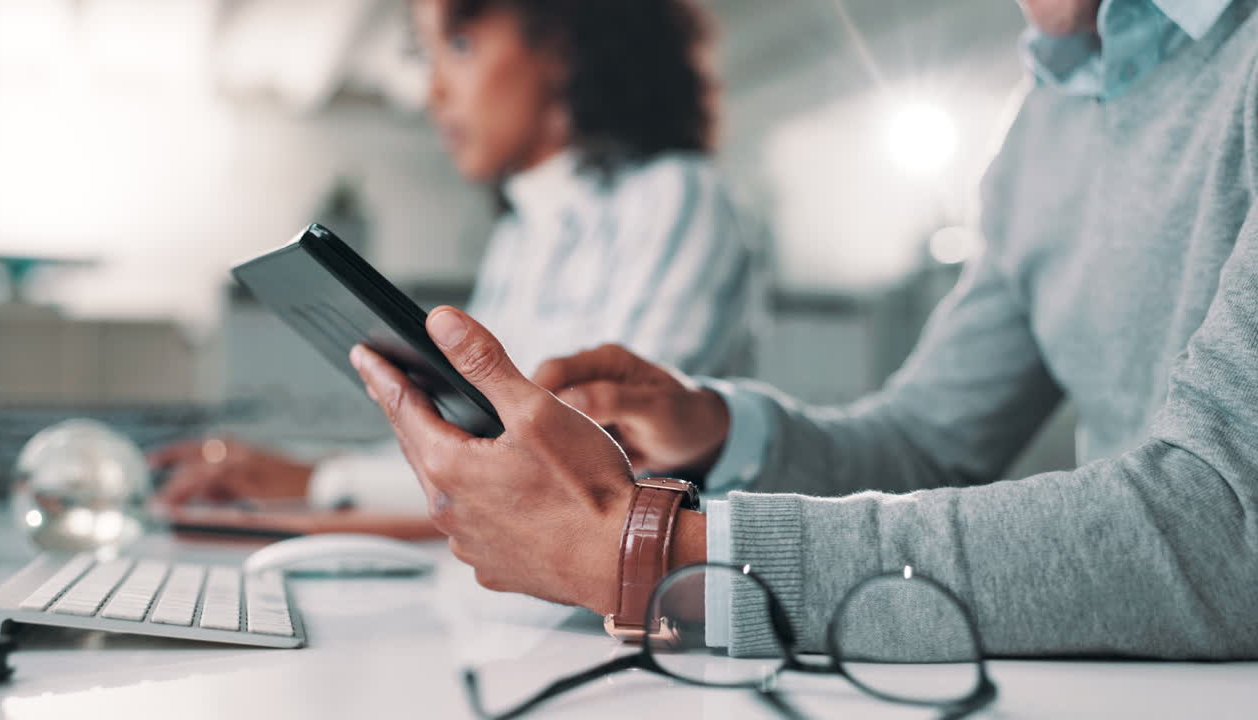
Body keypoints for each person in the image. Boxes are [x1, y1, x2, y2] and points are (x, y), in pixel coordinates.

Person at [347, 0, 1258, 659]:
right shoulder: (1048, 128)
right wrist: (721, 428)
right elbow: (932, 440)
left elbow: (1230, 527)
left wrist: (666, 557)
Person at [151, 0, 764, 534]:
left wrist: (320, 481)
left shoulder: (674, 197)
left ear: (564, 43)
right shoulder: (520, 234)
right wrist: (301, 476)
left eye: (461, 44)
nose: (433, 92)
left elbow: (600, 469)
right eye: (428, 54)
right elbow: (478, 442)